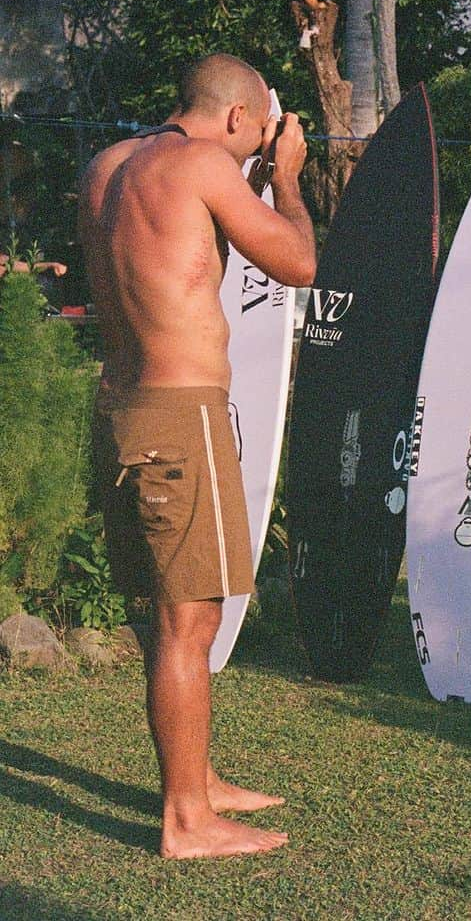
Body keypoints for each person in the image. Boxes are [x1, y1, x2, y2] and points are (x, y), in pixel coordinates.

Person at [78, 52, 315, 859]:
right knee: (193, 618)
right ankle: (187, 819)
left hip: (122, 408)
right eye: (253, 140)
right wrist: (284, 178)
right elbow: (297, 263)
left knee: (169, 612)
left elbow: (162, 252)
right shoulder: (207, 164)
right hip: (180, 418)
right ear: (242, 120)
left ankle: (198, 779)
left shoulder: (111, 166)